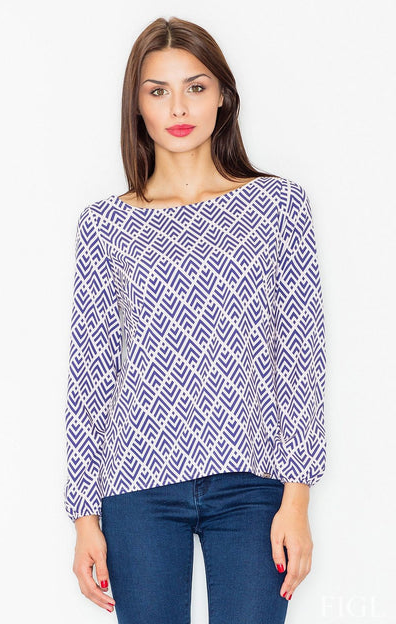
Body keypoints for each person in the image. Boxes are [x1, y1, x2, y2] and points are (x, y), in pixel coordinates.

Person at [63, 15, 327, 624]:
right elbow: (92, 372)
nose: (178, 107)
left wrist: (297, 499)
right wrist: (83, 517)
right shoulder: (105, 225)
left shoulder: (276, 206)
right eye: (158, 90)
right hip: (137, 486)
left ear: (223, 96)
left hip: (253, 484)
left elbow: (301, 356)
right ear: (137, 106)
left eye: (196, 87)